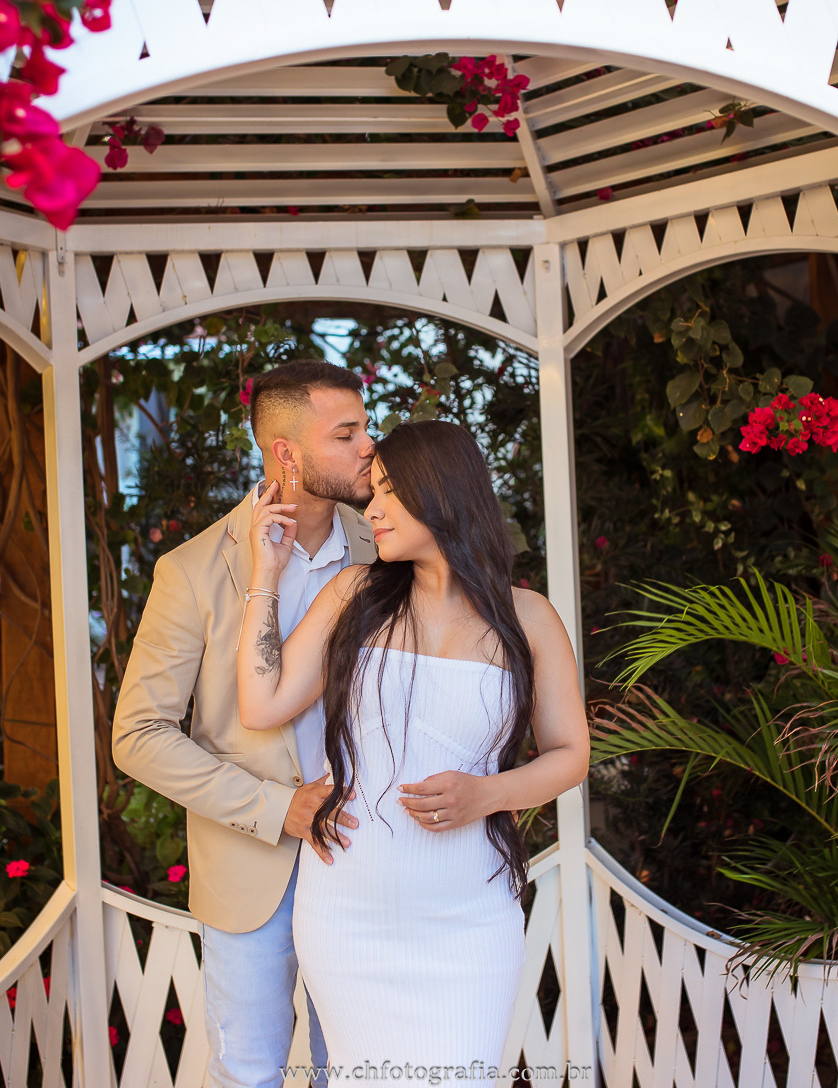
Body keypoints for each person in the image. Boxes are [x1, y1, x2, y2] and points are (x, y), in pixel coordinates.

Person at [237, 419, 590, 1063]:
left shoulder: (529, 618)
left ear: (442, 491)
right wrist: (267, 574)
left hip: (471, 916)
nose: (372, 510)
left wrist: (488, 794)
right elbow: (261, 705)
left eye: (389, 491)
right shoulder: (353, 595)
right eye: (372, 491)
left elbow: (572, 755)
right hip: (347, 910)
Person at [112, 360, 377, 1087]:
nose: (368, 447)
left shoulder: (387, 551)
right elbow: (138, 735)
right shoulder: (192, 570)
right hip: (249, 867)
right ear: (285, 453)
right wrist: (274, 807)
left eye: (366, 428)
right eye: (346, 434)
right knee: (247, 1074)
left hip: (367, 856)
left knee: (359, 1071)